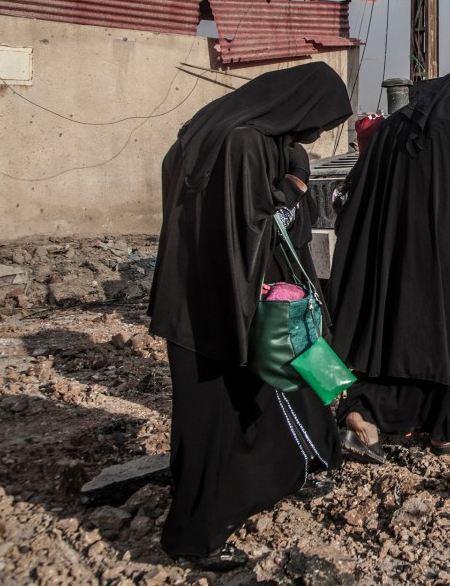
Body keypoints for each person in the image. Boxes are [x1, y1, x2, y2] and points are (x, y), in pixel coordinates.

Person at [148, 62, 352, 571]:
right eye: (321, 119)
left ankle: (273, 478)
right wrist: (292, 193)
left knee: (245, 402)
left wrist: (292, 176)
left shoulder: (220, 129)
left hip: (204, 299)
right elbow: (254, 225)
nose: (320, 131)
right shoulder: (244, 144)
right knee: (212, 422)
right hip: (216, 310)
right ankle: (195, 537)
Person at [326, 62, 450, 460]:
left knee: (400, 334)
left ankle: (368, 412)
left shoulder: (400, 120)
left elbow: (358, 191)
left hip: (395, 256)